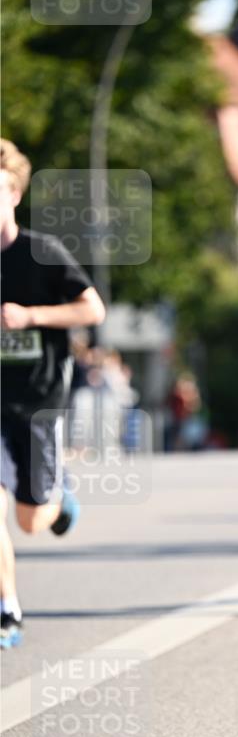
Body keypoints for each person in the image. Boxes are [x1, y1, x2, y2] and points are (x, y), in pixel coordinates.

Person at [0, 139, 105, 648]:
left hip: (39, 400)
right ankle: (8, 609)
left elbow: (93, 311)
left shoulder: (41, 251)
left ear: (14, 193)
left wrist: (31, 316)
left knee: (30, 518)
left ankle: (57, 497)